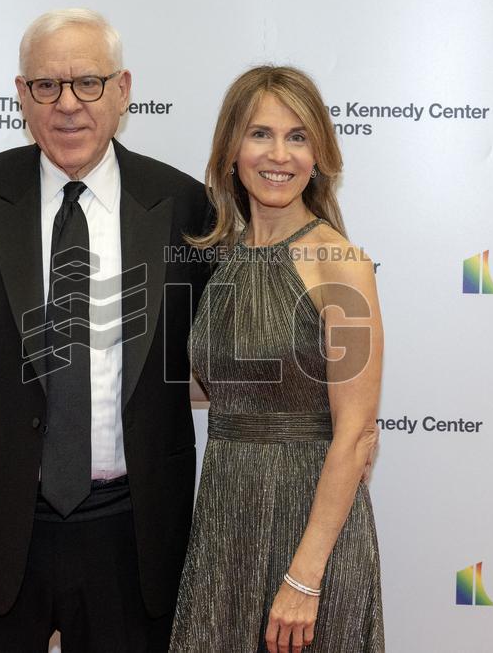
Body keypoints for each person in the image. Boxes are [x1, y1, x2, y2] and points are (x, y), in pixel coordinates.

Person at [0, 8, 211, 652]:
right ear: (22, 96)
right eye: (47, 86)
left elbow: (221, 353)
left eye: (87, 83)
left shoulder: (183, 204)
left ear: (123, 90)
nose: (67, 104)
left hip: (136, 535)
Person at [170, 65, 385, 652]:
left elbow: (357, 431)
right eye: (260, 133)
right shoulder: (221, 258)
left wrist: (304, 576)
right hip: (225, 518)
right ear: (231, 148)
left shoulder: (341, 262)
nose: (279, 155)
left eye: (298, 137)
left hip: (308, 527)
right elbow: (222, 383)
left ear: (320, 154)